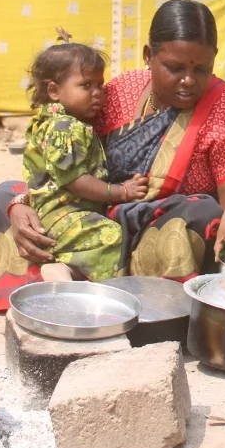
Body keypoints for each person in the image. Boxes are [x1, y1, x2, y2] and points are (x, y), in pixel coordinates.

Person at [0, 0, 225, 313]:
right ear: (148, 56)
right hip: (87, 218)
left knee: (201, 212)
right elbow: (61, 161)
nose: (189, 79)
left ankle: (135, 301)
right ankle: (51, 290)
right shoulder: (119, 91)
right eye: (175, 67)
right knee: (5, 195)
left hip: (153, 229)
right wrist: (23, 205)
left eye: (202, 69)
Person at [21, 33, 149, 283]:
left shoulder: (56, 123)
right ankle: (69, 275)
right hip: (65, 215)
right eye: (86, 85)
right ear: (54, 91)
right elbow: (75, 180)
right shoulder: (64, 128)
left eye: (99, 85)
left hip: (65, 215)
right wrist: (121, 192)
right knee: (112, 237)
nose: (97, 93)